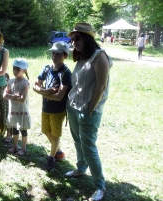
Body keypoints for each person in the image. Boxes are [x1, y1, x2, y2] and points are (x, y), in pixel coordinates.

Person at [65, 22, 113, 201]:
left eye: (76, 38)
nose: (73, 42)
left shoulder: (100, 57)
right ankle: (81, 168)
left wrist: (91, 108)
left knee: (89, 147)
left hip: (88, 110)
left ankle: (100, 186)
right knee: (78, 141)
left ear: (87, 38)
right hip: (73, 106)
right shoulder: (82, 56)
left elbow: (101, 86)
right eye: (72, 38)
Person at [33, 41, 72, 171]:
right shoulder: (46, 68)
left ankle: (51, 158)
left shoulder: (66, 73)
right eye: (53, 52)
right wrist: (47, 91)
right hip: (46, 107)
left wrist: (41, 91)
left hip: (58, 110)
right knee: (45, 131)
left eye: (58, 54)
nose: (54, 55)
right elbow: (36, 85)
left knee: (55, 134)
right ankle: (59, 151)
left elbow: (59, 96)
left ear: (65, 55)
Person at [3, 58, 31, 156]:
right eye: (14, 69)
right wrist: (14, 96)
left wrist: (10, 96)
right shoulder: (10, 82)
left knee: (23, 130)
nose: (15, 71)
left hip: (22, 110)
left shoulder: (25, 83)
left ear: (24, 71)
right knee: (14, 128)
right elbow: (4, 95)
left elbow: (22, 99)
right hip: (13, 110)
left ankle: (23, 148)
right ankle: (15, 146)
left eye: (17, 69)